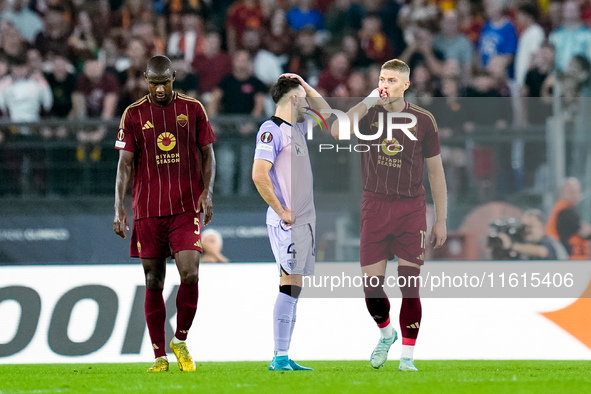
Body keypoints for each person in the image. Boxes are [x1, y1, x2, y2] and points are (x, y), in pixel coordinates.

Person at [330, 59, 447, 372]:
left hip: (410, 207)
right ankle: (386, 333)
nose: (385, 85)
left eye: (392, 80)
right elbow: (338, 130)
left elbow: (436, 172)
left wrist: (442, 218)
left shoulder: (424, 120)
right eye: (382, 79)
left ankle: (407, 358)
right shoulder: (369, 114)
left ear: (406, 84)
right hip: (375, 205)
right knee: (371, 286)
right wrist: (368, 99)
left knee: (409, 284)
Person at [113, 55, 216, 373]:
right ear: (145, 79)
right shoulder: (132, 114)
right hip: (148, 210)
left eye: (165, 82)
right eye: (154, 83)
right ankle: (159, 356)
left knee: (191, 273)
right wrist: (118, 207)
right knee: (153, 280)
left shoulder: (193, 108)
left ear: (174, 77)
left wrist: (207, 192)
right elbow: (124, 165)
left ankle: (180, 339)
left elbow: (207, 153)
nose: (160, 89)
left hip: (186, 207)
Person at [252, 73, 330, 371]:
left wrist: (305, 84)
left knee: (294, 285)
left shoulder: (298, 126)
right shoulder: (270, 130)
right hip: (289, 223)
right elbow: (259, 173)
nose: (308, 100)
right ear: (294, 99)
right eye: (304, 96)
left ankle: (283, 355)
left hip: (305, 222)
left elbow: (328, 114)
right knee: (288, 283)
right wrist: (282, 210)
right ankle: (279, 356)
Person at [546, 177, 591, 260]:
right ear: (562, 192)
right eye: (571, 192)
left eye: (577, 192)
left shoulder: (560, 209)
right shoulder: (566, 211)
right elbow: (584, 232)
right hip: (570, 258)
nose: (575, 195)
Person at [497, 209, 569, 260]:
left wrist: (511, 245)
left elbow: (541, 252)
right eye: (524, 227)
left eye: (530, 226)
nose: (526, 230)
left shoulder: (550, 242)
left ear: (541, 227)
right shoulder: (525, 244)